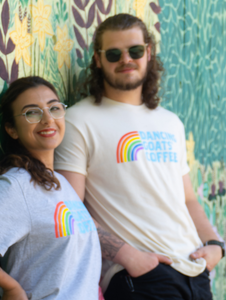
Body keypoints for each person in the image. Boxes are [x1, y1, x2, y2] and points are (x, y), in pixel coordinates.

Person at [54, 14, 225, 300]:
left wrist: (215, 245)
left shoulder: (171, 122)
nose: (126, 59)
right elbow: (71, 208)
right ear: (98, 59)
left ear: (148, 52)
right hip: (141, 278)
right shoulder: (78, 121)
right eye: (113, 54)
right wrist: (129, 258)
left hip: (196, 271)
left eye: (134, 51)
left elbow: (189, 199)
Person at [0, 76, 101, 300]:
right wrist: (11, 287)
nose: (48, 119)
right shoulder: (19, 183)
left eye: (54, 108)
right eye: (32, 112)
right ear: (12, 129)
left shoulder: (60, 182)